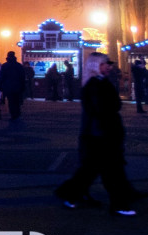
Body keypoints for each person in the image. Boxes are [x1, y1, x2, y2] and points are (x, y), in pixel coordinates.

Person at [55, 53, 137, 216]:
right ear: (95, 66)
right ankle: (119, 204)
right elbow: (104, 109)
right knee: (110, 170)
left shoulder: (99, 83)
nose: (109, 66)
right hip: (101, 133)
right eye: (105, 64)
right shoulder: (95, 85)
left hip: (99, 132)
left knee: (91, 169)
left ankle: (71, 196)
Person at [0, 51, 25, 120]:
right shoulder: (19, 65)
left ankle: (13, 114)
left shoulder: (4, 66)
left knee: (10, 101)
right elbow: (22, 77)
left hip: (8, 87)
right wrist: (23, 86)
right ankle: (17, 113)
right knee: (17, 101)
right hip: (17, 86)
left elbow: (1, 77)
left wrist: (0, 86)